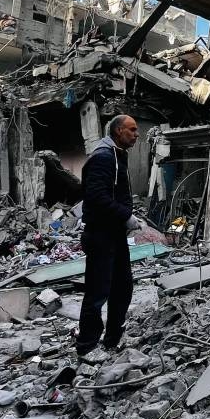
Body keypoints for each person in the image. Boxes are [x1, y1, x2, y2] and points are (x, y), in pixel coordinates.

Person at [75, 115, 141, 357]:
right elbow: (96, 197)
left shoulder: (116, 156)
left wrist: (125, 216)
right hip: (101, 235)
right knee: (97, 292)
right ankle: (87, 347)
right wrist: (125, 215)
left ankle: (112, 340)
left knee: (122, 288)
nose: (136, 134)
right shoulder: (103, 157)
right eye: (132, 130)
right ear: (117, 131)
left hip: (114, 235)